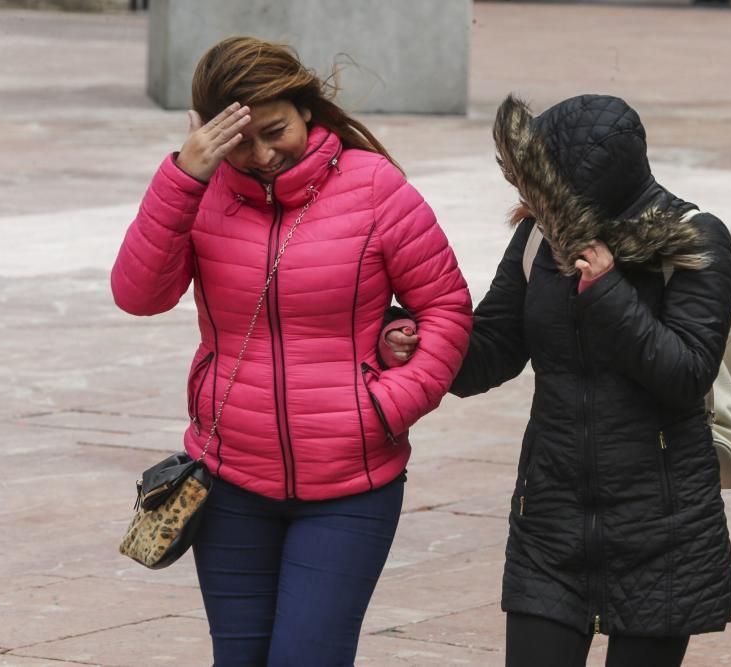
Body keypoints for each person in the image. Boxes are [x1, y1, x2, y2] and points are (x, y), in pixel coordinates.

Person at [110, 36, 472, 666]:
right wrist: (183, 177)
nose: (262, 155)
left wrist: (383, 408)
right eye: (239, 140)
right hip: (228, 481)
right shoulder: (202, 192)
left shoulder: (375, 188)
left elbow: (446, 308)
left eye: (275, 130)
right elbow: (139, 295)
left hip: (350, 484)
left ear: (306, 108)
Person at [385, 94, 731, 667]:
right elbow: (495, 347)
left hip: (662, 528)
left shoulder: (694, 239)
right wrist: (419, 340)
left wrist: (606, 290)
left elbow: (685, 373)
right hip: (551, 519)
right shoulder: (538, 240)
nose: (534, 197)